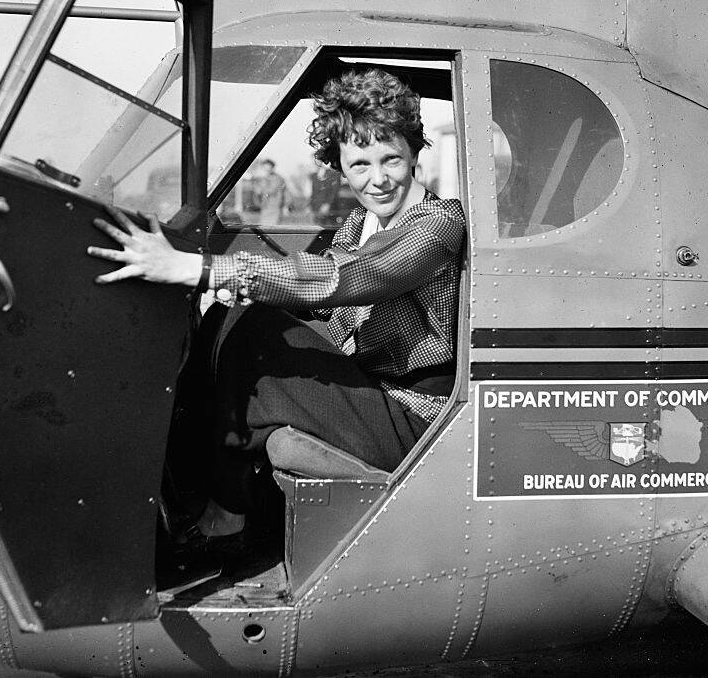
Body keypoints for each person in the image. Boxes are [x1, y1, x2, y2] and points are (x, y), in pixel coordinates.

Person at [88, 68, 465, 542]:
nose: (378, 179)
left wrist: (199, 269)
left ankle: (227, 512)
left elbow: (346, 277)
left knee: (258, 332)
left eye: (391, 159)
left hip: (415, 415)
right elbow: (325, 298)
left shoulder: (438, 224)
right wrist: (236, 291)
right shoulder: (359, 224)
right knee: (232, 317)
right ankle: (183, 493)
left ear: (414, 152)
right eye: (360, 165)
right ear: (340, 166)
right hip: (371, 391)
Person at [253, 159, 286, 225]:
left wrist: (260, 189)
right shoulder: (263, 179)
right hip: (265, 207)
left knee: (273, 228)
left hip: (274, 207)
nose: (267, 170)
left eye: (268, 168)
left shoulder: (278, 179)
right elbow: (258, 192)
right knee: (263, 227)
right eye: (265, 168)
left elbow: (271, 190)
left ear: (272, 167)